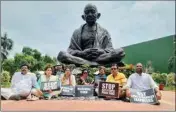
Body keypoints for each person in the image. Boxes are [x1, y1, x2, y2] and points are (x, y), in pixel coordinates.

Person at [57, 3, 125, 66]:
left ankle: (89, 64)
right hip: (82, 58)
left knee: (120, 52)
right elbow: (70, 51)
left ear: (98, 15)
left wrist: (101, 51)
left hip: (100, 57)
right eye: (87, 12)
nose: (90, 14)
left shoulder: (104, 32)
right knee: (62, 55)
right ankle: (93, 64)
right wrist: (82, 53)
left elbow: (110, 49)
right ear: (83, 17)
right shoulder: (77, 32)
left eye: (92, 11)